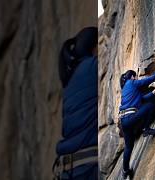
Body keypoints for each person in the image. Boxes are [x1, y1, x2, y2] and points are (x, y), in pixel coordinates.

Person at [53, 27, 98, 180]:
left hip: (67, 170)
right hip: (88, 169)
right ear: (95, 47)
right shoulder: (94, 66)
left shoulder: (69, 80)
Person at [119, 67, 155, 179]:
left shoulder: (126, 89)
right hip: (131, 117)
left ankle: (125, 170)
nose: (136, 78)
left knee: (128, 147)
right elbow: (145, 81)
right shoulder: (131, 82)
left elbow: (143, 99)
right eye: (135, 77)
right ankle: (146, 129)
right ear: (132, 77)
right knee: (150, 106)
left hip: (123, 121)